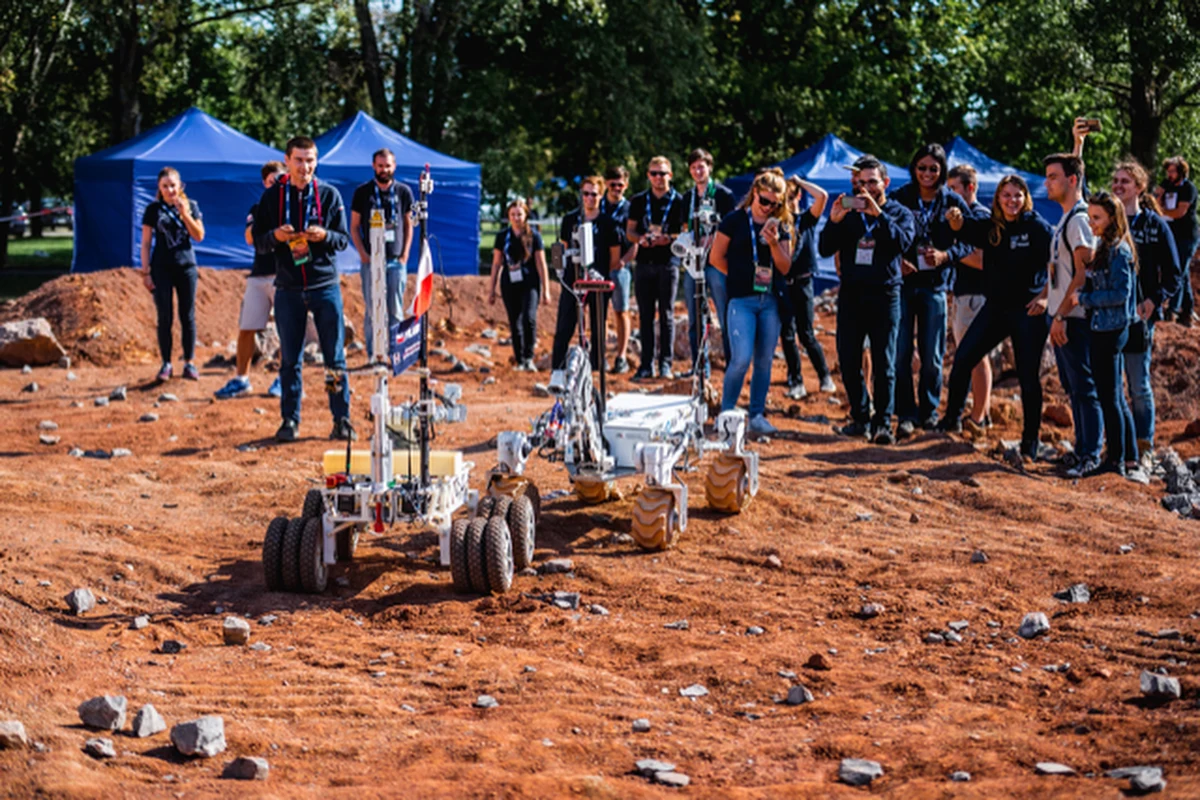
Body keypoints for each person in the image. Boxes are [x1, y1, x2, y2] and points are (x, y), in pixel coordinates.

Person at [943, 176, 1052, 460]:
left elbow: (1059, 263)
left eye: (1017, 195)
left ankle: (1030, 442)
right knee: (964, 357)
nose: (1012, 201)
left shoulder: (1037, 226)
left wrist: (1045, 296)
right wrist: (955, 220)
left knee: (1028, 376)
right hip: (996, 308)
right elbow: (962, 229)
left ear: (1025, 198)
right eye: (1006, 195)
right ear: (998, 199)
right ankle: (951, 421)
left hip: (1028, 311)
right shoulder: (992, 226)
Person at [252, 136, 353, 443]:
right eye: (298, 160)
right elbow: (258, 241)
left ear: (316, 162)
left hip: (325, 286)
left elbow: (343, 240)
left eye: (310, 160)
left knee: (334, 358)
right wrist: (276, 237)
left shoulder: (330, 195)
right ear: (287, 160)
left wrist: (323, 235)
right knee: (289, 360)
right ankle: (289, 420)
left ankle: (341, 419)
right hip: (288, 288)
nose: (304, 166)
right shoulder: (272, 198)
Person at [819, 155, 916, 444]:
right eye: (859, 182)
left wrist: (878, 215)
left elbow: (903, 242)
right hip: (851, 294)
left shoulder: (899, 212)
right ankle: (861, 417)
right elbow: (824, 248)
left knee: (884, 362)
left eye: (871, 182)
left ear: (885, 183)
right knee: (848, 359)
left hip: (885, 294)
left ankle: (883, 423)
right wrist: (834, 222)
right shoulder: (848, 212)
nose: (865, 188)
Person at [889, 144, 972, 437]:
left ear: (942, 171)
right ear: (914, 169)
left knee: (932, 357)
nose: (926, 173)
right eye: (921, 167)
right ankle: (906, 414)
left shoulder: (952, 202)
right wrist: (896, 259)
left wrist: (945, 255)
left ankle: (929, 412)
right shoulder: (899, 198)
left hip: (935, 286)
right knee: (900, 354)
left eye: (933, 169)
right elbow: (883, 231)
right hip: (903, 285)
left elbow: (970, 240)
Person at [709, 169, 793, 436]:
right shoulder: (734, 220)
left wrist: (774, 243)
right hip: (742, 300)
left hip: (769, 300)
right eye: (764, 201)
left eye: (775, 204)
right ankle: (727, 412)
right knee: (741, 358)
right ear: (754, 193)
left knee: (764, 360)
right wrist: (737, 278)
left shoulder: (781, 225)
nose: (769, 207)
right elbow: (716, 257)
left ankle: (756, 414)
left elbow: (785, 266)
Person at [1111, 160, 1181, 465]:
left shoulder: (1155, 225)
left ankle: (1144, 445)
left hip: (1140, 318)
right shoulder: (1108, 223)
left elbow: (1174, 274)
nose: (1118, 185)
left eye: (1125, 181)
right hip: (1108, 318)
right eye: (1115, 180)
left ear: (1139, 187)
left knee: (1138, 384)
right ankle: (1116, 445)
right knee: (1110, 386)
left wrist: (1155, 300)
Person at [1041, 146, 1101, 477]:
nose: (1046, 184)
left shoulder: (1079, 220)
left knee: (1085, 388)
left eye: (1053, 177)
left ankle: (1091, 454)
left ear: (1072, 180)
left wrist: (1061, 315)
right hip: (1063, 317)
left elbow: (1083, 274)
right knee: (1075, 388)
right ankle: (1081, 450)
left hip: (1074, 320)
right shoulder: (1068, 216)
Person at [1074, 191, 1139, 477]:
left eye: (1097, 218)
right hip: (1104, 327)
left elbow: (1120, 294)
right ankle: (1128, 458)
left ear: (1112, 218)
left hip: (1111, 329)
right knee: (1113, 395)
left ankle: (1115, 460)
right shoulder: (1106, 245)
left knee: (1109, 396)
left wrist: (1084, 299)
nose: (1091, 223)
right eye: (1090, 217)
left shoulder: (1118, 250)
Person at [215, 161, 287, 400]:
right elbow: (248, 238)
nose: (275, 185)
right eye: (270, 181)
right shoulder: (257, 209)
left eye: (279, 180)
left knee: (287, 329)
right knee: (246, 329)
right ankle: (241, 380)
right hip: (259, 275)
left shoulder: (293, 208)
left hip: (285, 275)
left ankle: (284, 379)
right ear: (264, 184)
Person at [140, 166, 206, 382]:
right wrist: (145, 272)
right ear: (159, 188)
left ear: (181, 186)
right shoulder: (153, 209)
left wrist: (184, 213)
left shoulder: (192, 205)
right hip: (161, 268)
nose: (170, 190)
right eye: (165, 186)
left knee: (187, 315)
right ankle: (166, 363)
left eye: (173, 186)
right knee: (165, 316)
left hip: (186, 266)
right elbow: (146, 242)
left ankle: (189, 362)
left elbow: (199, 236)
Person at [551, 176, 621, 370]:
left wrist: (600, 273)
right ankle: (557, 370)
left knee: (598, 326)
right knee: (565, 325)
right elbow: (564, 249)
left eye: (594, 194)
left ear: (601, 196)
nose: (589, 198)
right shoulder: (570, 219)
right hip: (573, 280)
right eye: (586, 194)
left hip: (598, 281)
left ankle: (597, 366)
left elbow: (614, 257)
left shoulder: (609, 223)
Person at [350, 148, 414, 359]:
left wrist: (405, 255)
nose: (384, 170)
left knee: (395, 309)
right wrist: (362, 254)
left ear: (394, 166)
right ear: (373, 166)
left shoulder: (404, 191)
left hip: (396, 261)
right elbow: (354, 226)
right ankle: (373, 353)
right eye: (380, 166)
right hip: (371, 260)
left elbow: (408, 224)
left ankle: (395, 352)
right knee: (372, 309)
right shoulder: (362, 192)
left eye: (388, 166)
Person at [626, 156, 686, 380]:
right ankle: (645, 364)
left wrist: (668, 239)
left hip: (668, 263)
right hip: (643, 263)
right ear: (648, 176)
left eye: (662, 173)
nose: (658, 178)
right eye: (654, 173)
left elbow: (685, 232)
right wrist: (642, 238)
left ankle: (666, 364)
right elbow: (629, 231)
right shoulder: (639, 201)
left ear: (670, 175)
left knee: (667, 314)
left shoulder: (679, 201)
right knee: (645, 315)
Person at [945, 164, 995, 429]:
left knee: (976, 356)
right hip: (963, 293)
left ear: (970, 188)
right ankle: (979, 414)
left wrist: (950, 251)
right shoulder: (959, 217)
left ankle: (979, 417)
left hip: (978, 295)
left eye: (954, 188)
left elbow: (986, 260)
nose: (950, 194)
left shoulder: (980, 217)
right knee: (968, 355)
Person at [680, 148, 737, 374]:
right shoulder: (687, 197)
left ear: (709, 167)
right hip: (693, 261)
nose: (697, 171)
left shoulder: (723, 194)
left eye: (701, 166)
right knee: (694, 316)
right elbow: (685, 228)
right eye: (693, 167)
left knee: (724, 313)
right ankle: (699, 366)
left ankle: (733, 364)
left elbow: (731, 230)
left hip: (716, 261)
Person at [779, 174, 834, 400]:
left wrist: (799, 182)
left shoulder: (806, 219)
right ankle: (795, 380)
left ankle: (824, 376)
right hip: (783, 283)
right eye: (785, 197)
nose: (789, 201)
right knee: (787, 334)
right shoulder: (780, 223)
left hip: (803, 282)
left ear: (798, 196)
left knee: (807, 333)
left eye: (792, 196)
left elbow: (822, 196)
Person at [489, 199, 551, 371]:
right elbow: (496, 263)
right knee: (514, 322)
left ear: (526, 215)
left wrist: (546, 290)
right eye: (513, 215)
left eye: (520, 214)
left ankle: (529, 356)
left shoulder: (534, 236)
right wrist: (491, 290)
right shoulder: (502, 237)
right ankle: (520, 359)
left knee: (529, 318)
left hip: (530, 282)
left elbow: (541, 263)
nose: (516, 218)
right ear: (508, 216)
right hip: (510, 282)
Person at [1157, 155, 1198, 325]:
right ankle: (1187, 311)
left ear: (1181, 172)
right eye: (1168, 171)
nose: (1169, 174)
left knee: (1178, 270)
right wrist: (1158, 200)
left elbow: (1179, 213)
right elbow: (1156, 198)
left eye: (1173, 171)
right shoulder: (1166, 184)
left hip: (1187, 236)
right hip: (1172, 234)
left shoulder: (1189, 189)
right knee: (1183, 273)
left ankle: (1172, 310)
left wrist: (1160, 211)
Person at [601, 166, 634, 373]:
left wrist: (623, 261)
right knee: (599, 312)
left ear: (626, 185)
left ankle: (621, 355)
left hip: (621, 265)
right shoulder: (598, 205)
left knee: (621, 311)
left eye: (620, 184)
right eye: (612, 184)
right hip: (599, 266)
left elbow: (636, 240)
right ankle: (600, 354)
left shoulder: (631, 209)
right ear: (606, 184)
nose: (616, 188)